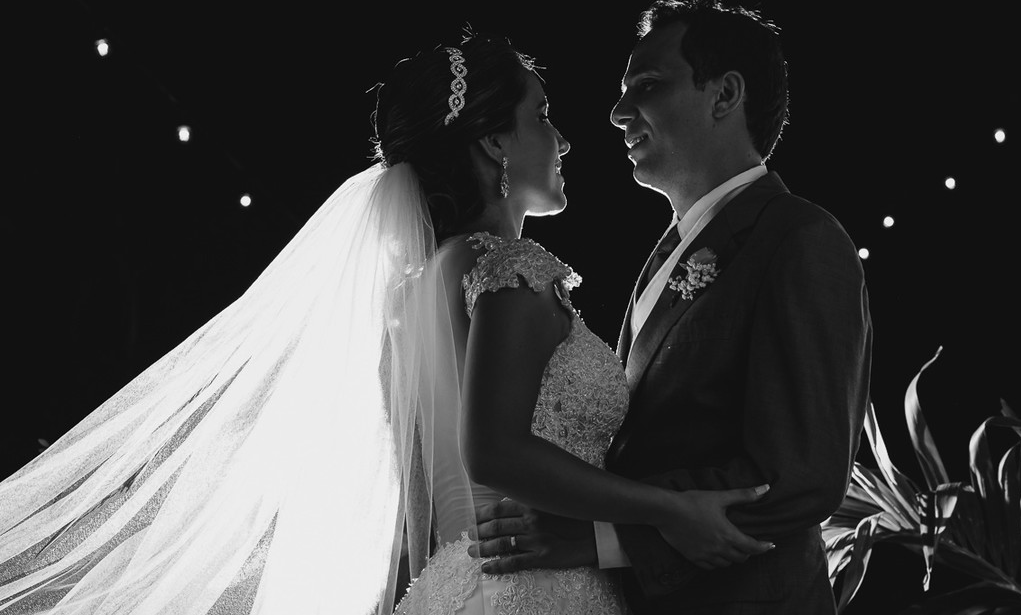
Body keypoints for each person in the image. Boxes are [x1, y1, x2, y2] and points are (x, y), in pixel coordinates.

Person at [0, 32, 768, 615]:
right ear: (493, 140)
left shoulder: (414, 295)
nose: (562, 139)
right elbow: (495, 451)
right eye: (540, 115)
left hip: (451, 586)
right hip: (539, 589)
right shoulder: (509, 270)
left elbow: (420, 503)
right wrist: (668, 508)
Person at [471, 0, 874, 614]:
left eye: (648, 86)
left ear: (724, 95)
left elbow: (799, 476)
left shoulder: (800, 239)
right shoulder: (666, 254)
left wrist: (600, 539)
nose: (617, 113)